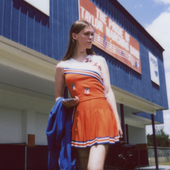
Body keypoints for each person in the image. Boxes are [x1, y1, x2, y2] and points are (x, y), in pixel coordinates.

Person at [55, 20, 123, 170]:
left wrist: (117, 120)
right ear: (74, 35)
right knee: (83, 166)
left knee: (94, 167)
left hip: (102, 116)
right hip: (79, 119)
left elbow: (108, 91)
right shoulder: (62, 66)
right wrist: (65, 102)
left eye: (92, 34)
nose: (91, 38)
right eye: (86, 34)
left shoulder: (99, 61)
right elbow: (58, 97)